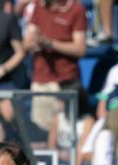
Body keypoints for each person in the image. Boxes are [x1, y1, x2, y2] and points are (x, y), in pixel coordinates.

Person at [23, 0, 87, 131]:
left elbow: (80, 49)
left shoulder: (76, 9)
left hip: (65, 83)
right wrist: (32, 43)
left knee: (65, 133)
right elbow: (28, 40)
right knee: (41, 134)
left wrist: (50, 43)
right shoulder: (38, 6)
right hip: (40, 82)